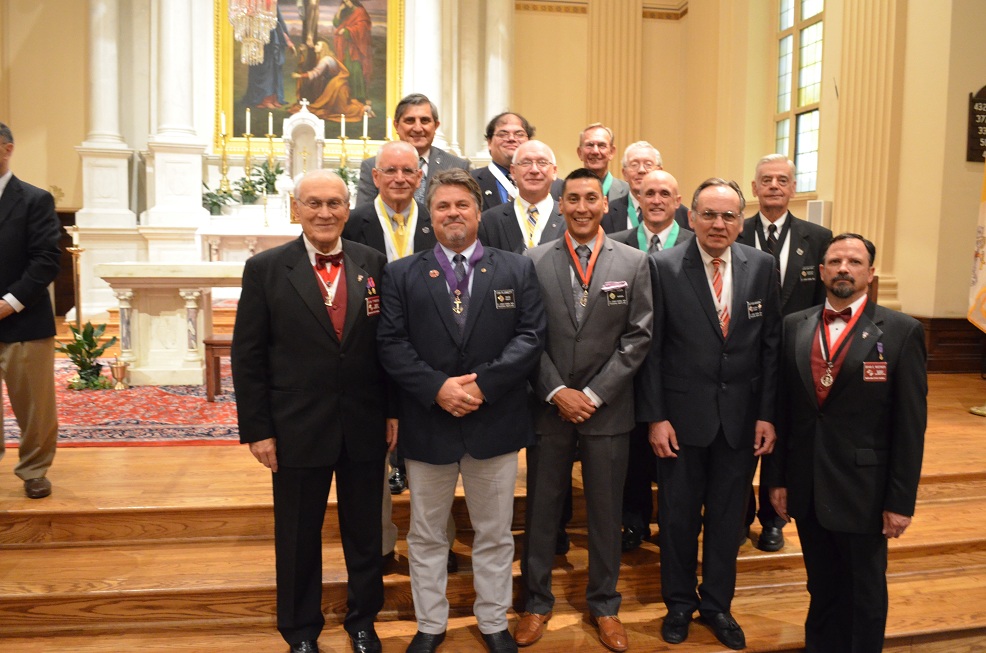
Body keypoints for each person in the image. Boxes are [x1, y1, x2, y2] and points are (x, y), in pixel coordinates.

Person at [377, 169, 546, 653]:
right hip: (428, 422)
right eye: (443, 206)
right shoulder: (401, 274)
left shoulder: (516, 269)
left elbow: (531, 337)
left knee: (494, 533)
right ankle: (430, 624)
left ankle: (493, 620)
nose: (453, 213)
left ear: (478, 212)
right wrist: (437, 388)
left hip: (494, 421)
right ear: (430, 216)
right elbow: (391, 343)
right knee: (427, 534)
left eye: (462, 205)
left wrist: (483, 386)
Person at [232, 169, 389, 653]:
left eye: (334, 203)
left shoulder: (372, 262)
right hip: (296, 427)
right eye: (314, 203)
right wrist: (258, 429)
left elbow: (386, 345)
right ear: (295, 209)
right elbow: (248, 355)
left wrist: (392, 410)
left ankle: (363, 622)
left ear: (348, 209)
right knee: (298, 536)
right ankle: (300, 631)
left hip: (364, 422)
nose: (324, 213)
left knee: (365, 534)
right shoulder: (265, 269)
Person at [636, 178, 781, 650]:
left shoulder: (761, 265)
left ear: (741, 220)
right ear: (691, 217)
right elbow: (652, 350)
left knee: (727, 521)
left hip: (741, 422)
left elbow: (770, 346)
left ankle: (718, 605)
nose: (719, 224)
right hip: (679, 422)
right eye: (709, 214)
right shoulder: (662, 266)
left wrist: (767, 414)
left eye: (729, 215)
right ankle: (679, 604)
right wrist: (656, 417)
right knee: (678, 520)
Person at [766, 233, 926, 653]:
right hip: (807, 483)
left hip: (865, 490)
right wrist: (777, 479)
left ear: (870, 274)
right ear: (821, 272)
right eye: (835, 261)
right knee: (821, 586)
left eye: (854, 262)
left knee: (864, 592)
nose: (843, 268)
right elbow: (783, 411)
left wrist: (900, 501)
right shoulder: (794, 325)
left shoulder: (902, 332)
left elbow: (910, 427)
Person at [516, 168, 652, 653]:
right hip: (549, 408)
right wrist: (556, 390)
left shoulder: (634, 262)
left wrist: (593, 394)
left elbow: (639, 336)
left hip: (607, 411)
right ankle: (536, 602)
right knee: (542, 511)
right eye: (572, 198)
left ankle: (605, 605)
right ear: (561, 205)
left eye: (590, 198)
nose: (581, 207)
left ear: (605, 205)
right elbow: (527, 335)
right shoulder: (533, 260)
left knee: (605, 512)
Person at [738, 154, 833, 552]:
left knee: (784, 439)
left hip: (796, 361)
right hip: (743, 358)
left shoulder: (819, 238)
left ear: (793, 188)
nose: (774, 186)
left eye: (782, 180)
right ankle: (738, 515)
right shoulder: (735, 230)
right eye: (766, 180)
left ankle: (773, 520)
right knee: (741, 440)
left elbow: (824, 303)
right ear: (754, 188)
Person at [610, 169, 693, 552]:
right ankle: (634, 520)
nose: (656, 200)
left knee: (675, 453)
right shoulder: (614, 244)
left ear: (678, 201)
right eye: (649, 193)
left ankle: (676, 526)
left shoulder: (696, 243)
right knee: (633, 455)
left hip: (679, 370)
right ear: (637, 199)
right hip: (628, 366)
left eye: (664, 193)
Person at [0, 122, 60, 500]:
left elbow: (45, 260)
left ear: (7, 149)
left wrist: (8, 304)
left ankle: (34, 470)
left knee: (35, 406)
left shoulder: (35, 200)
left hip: (23, 318)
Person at [356, 94, 470, 207]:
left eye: (424, 121)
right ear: (396, 125)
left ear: (436, 126)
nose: (418, 128)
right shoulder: (373, 165)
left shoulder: (456, 166)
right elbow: (364, 215)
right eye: (410, 121)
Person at [478, 140, 564, 254]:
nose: (534, 170)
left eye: (542, 163)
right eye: (526, 163)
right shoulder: (489, 221)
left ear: (554, 171)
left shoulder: (569, 218)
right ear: (513, 171)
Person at [602, 142, 690, 235]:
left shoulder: (682, 214)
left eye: (648, 164)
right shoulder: (607, 213)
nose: (641, 170)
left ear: (659, 171)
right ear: (625, 173)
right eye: (634, 165)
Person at [550, 124, 629, 204]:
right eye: (590, 145)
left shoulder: (628, 192)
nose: (595, 151)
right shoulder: (561, 192)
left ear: (611, 152)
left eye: (602, 145)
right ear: (580, 152)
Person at [471, 112, 534, 211]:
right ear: (489, 142)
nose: (511, 138)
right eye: (503, 134)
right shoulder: (470, 182)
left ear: (529, 141)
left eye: (519, 134)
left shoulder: (551, 185)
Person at [290, 40, 366, 122]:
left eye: (317, 45)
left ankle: (363, 110)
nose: (315, 46)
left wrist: (300, 76)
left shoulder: (326, 60)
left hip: (338, 88)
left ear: (323, 48)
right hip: (334, 85)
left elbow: (315, 73)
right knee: (334, 108)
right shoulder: (323, 58)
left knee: (342, 110)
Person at [241, 6, 295, 110]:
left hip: (274, 39)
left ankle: (274, 98)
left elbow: (279, 22)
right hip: (259, 40)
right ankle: (264, 99)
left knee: (274, 69)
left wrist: (288, 41)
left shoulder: (273, 4)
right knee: (263, 69)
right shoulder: (253, 4)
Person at [333, 0, 372, 101]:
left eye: (347, 1)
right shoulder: (345, 11)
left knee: (356, 69)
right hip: (345, 47)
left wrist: (347, 31)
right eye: (344, 1)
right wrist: (339, 10)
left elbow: (363, 27)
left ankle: (359, 96)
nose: (346, 3)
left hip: (356, 47)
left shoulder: (360, 11)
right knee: (345, 69)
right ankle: (346, 95)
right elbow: (336, 23)